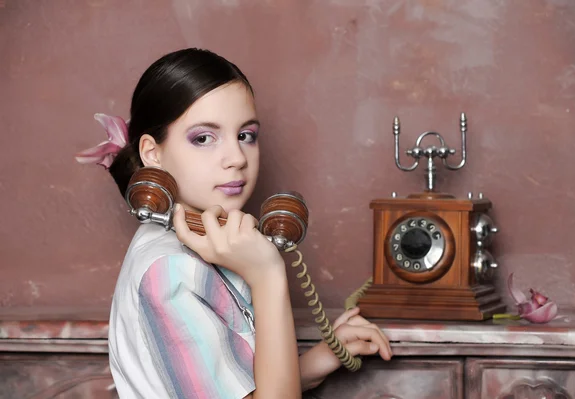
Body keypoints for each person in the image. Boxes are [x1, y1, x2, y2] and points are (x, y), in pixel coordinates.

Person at [76, 48, 392, 399]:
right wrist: (268, 276)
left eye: (246, 135)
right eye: (203, 138)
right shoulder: (169, 272)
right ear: (153, 153)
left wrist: (325, 355)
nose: (237, 158)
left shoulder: (211, 242)